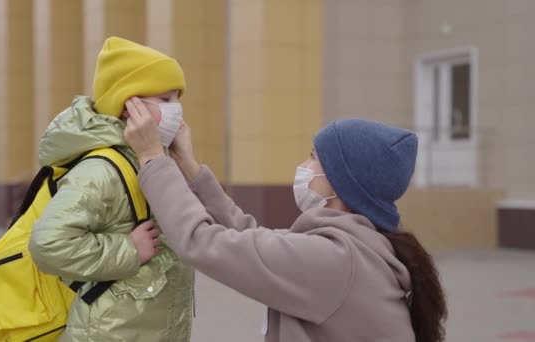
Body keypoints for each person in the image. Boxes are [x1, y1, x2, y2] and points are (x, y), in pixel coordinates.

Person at [122, 102, 448, 342]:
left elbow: (203, 242)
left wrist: (152, 159)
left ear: (340, 181)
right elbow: (252, 237)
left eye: (312, 157)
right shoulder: (356, 249)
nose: (303, 165)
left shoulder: (336, 260)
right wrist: (190, 170)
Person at [28, 37, 194, 341]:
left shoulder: (152, 160)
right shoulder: (104, 170)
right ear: (128, 106)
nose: (178, 111)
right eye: (167, 100)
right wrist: (128, 250)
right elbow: (47, 244)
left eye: (178, 100)